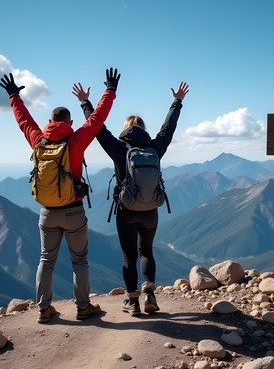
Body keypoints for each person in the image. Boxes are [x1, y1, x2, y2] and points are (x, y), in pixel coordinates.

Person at [0, 68, 121, 323]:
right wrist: (110, 90)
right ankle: (84, 307)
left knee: (46, 260)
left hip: (46, 213)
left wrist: (13, 95)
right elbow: (97, 119)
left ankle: (44, 309)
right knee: (80, 261)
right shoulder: (75, 141)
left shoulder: (37, 140)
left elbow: (23, 120)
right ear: (69, 123)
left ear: (50, 121)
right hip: (73, 211)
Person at [72, 81, 189, 316]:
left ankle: (133, 302)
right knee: (146, 251)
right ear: (144, 129)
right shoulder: (155, 148)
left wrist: (85, 102)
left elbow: (98, 128)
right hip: (150, 210)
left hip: (126, 210)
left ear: (125, 129)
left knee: (129, 255)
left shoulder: (119, 149)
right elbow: (168, 128)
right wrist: (177, 101)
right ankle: (150, 297)